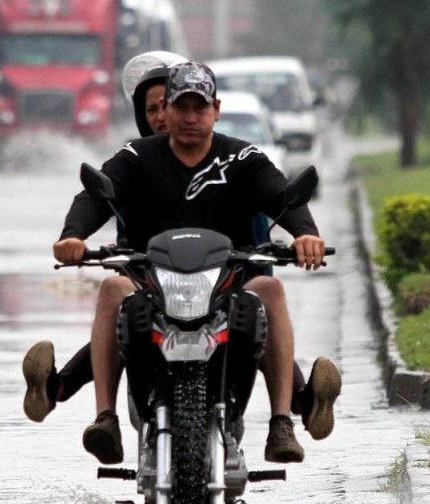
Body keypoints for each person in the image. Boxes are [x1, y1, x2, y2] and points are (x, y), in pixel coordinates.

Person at [29, 61, 341, 464]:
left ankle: (283, 421)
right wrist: (73, 236)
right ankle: (105, 418)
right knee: (111, 288)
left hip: (229, 287)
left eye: (200, 108)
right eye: (180, 108)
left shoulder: (242, 157)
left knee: (271, 289)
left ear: (216, 109)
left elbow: (282, 196)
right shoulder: (137, 156)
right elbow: (94, 196)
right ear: (165, 111)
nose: (190, 118)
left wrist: (305, 234)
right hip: (149, 286)